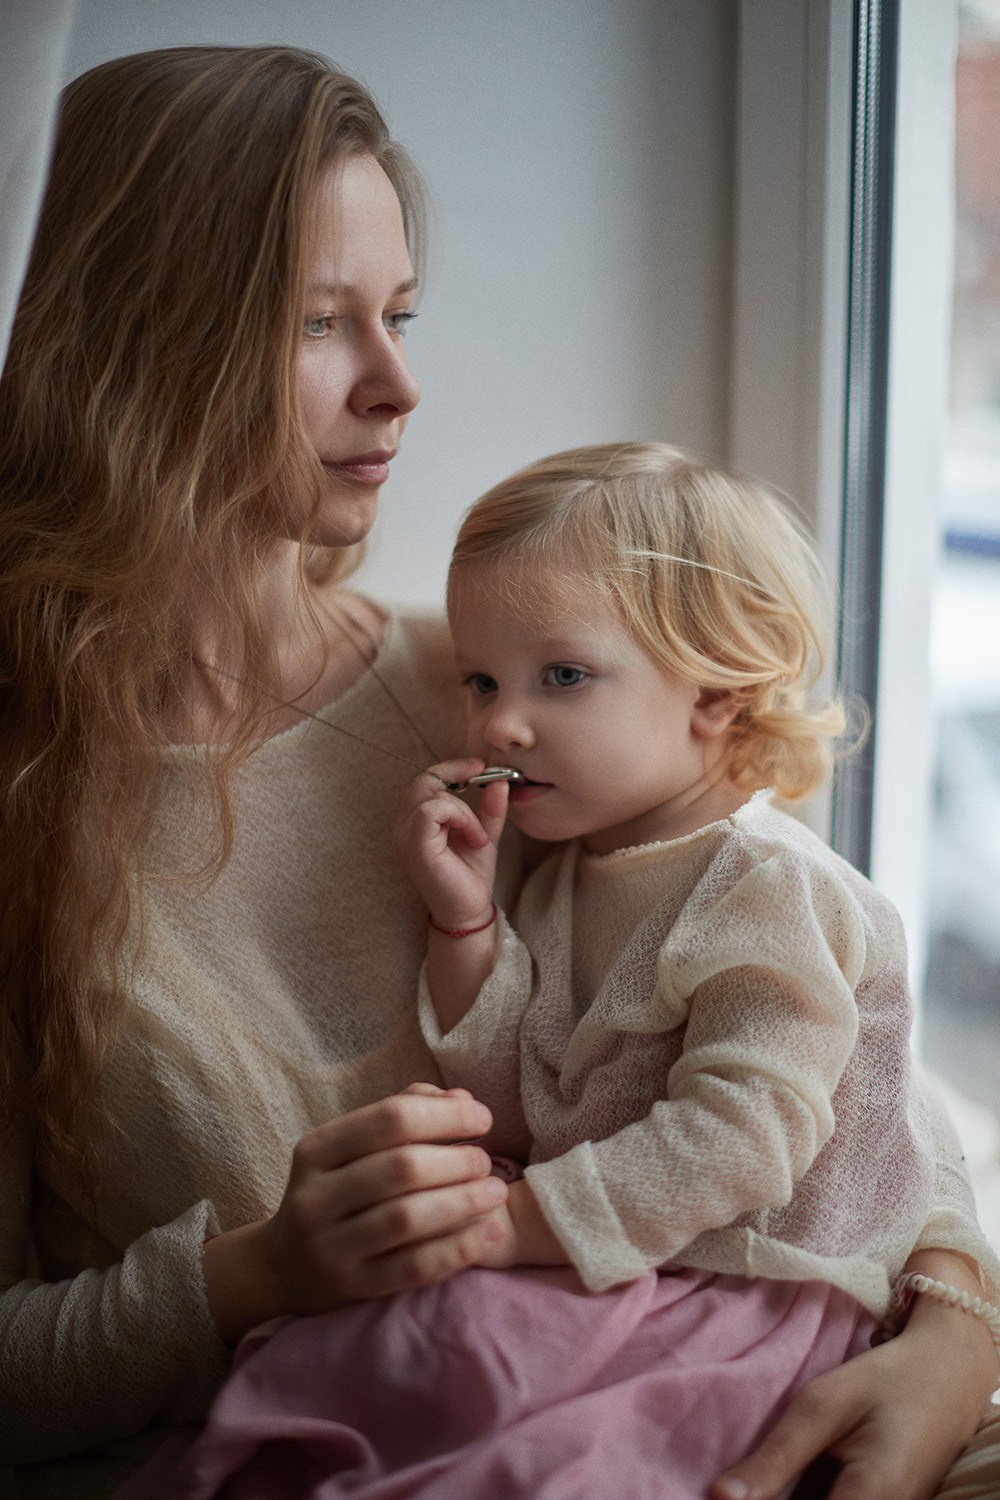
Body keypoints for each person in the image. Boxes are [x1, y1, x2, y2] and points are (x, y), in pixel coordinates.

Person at [0, 42, 997, 1500]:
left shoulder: (508, 700)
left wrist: (960, 1329)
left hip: (716, 1401)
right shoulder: (36, 813)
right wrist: (243, 1275)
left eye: (399, 312)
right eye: (319, 323)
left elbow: (837, 1029)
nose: (400, 385)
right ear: (133, 348)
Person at [131, 443, 1000, 1499]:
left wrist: (510, 1227)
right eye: (480, 680)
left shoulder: (770, 887)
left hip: (744, 1296)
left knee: (509, 1417)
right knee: (375, 1348)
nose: (500, 723)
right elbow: (521, 1096)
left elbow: (746, 1136)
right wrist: (465, 932)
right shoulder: (565, 873)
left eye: (563, 678)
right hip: (622, 1263)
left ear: (717, 689)